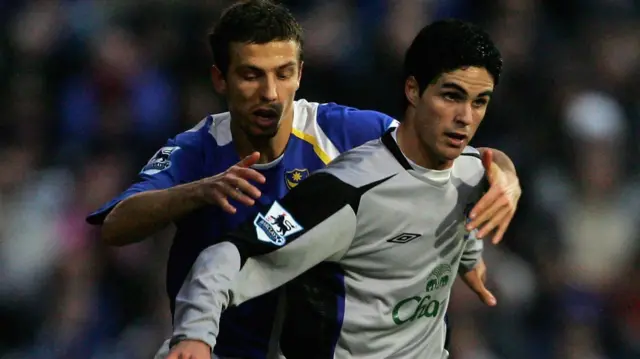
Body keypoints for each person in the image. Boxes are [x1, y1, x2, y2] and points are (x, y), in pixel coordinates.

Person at [86, 1, 520, 358]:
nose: (270, 92)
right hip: (216, 346)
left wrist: (504, 172)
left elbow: (436, 151)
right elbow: (116, 226)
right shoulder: (195, 150)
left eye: (283, 73)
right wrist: (199, 191)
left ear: (300, 75)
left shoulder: (346, 132)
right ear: (221, 78)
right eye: (252, 74)